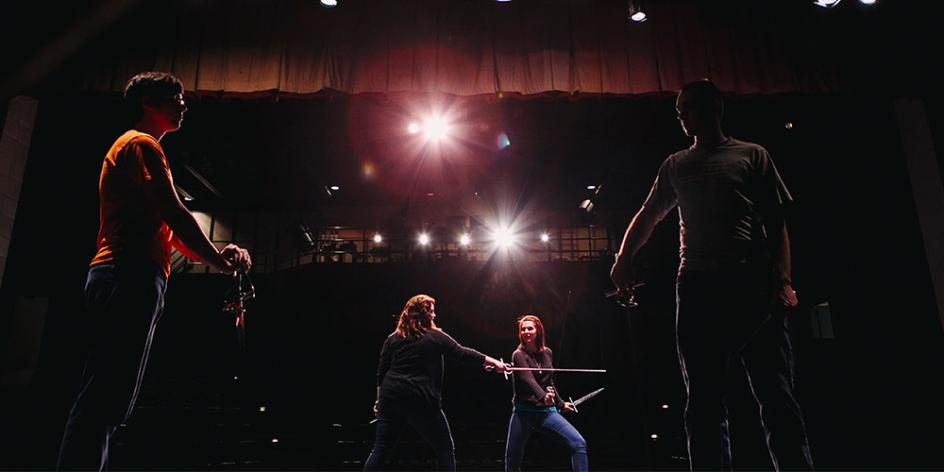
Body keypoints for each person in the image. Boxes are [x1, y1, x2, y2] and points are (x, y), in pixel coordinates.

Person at [609, 79, 814, 470]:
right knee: (702, 401)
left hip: (751, 284)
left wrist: (783, 279)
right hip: (698, 286)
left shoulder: (751, 156)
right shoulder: (676, 165)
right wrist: (622, 259)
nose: (681, 116)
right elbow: (649, 214)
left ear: (713, 108)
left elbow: (777, 221)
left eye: (688, 108)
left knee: (776, 395)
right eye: (678, 111)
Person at [57, 71, 252, 470]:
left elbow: (172, 231)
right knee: (104, 399)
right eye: (175, 97)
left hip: (124, 273)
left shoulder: (134, 149)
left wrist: (218, 257)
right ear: (148, 102)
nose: (184, 104)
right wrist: (220, 261)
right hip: (128, 273)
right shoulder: (142, 144)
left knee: (107, 399)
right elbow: (174, 212)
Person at [365, 294, 508, 471]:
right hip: (419, 397)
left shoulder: (393, 338)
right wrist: (495, 362)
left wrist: (379, 401)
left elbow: (381, 373)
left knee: (380, 449)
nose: (434, 315)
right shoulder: (435, 336)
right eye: (431, 312)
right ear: (423, 314)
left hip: (391, 397)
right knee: (445, 448)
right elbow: (462, 353)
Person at [504, 315, 587, 472]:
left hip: (546, 412)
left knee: (579, 443)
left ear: (538, 331)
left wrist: (561, 404)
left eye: (530, 328)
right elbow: (528, 380)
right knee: (512, 459)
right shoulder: (518, 355)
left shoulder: (547, 353)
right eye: (523, 329)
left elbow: (549, 383)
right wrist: (544, 397)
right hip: (523, 414)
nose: (526, 332)